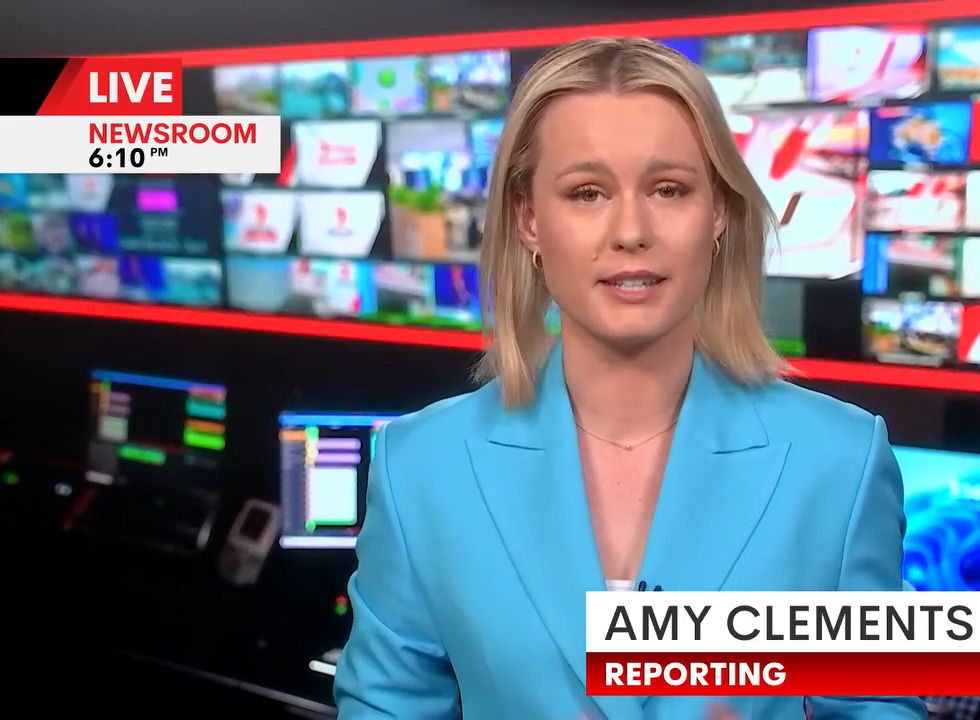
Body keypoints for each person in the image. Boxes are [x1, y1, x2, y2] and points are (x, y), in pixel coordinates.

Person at [333, 37, 926, 720]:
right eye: (587, 193)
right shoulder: (420, 468)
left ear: (718, 211)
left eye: (668, 189)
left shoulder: (841, 462)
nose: (631, 231)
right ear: (529, 219)